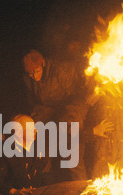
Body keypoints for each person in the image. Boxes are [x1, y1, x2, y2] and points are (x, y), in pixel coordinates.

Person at [22, 49, 90, 181]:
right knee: (40, 146)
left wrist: (71, 116)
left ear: (43, 64)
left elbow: (79, 97)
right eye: (30, 74)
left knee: (72, 156)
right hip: (49, 112)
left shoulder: (62, 71)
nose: (34, 76)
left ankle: (82, 190)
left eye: (36, 72)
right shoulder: (27, 78)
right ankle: (46, 183)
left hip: (70, 111)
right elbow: (34, 103)